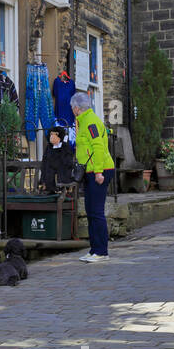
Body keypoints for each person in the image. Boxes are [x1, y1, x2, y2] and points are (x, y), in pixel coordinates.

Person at [72, 91, 115, 263]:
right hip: (90, 171)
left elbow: (97, 147)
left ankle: (102, 251)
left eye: (72, 108)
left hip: (100, 170)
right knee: (90, 211)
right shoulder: (83, 121)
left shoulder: (91, 122)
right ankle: (94, 249)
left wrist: (98, 172)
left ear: (76, 108)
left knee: (96, 212)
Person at [39, 125, 76, 193]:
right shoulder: (49, 148)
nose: (52, 136)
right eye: (51, 134)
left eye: (55, 134)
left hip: (61, 179)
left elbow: (68, 163)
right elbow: (44, 162)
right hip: (49, 180)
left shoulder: (65, 147)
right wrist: (43, 180)